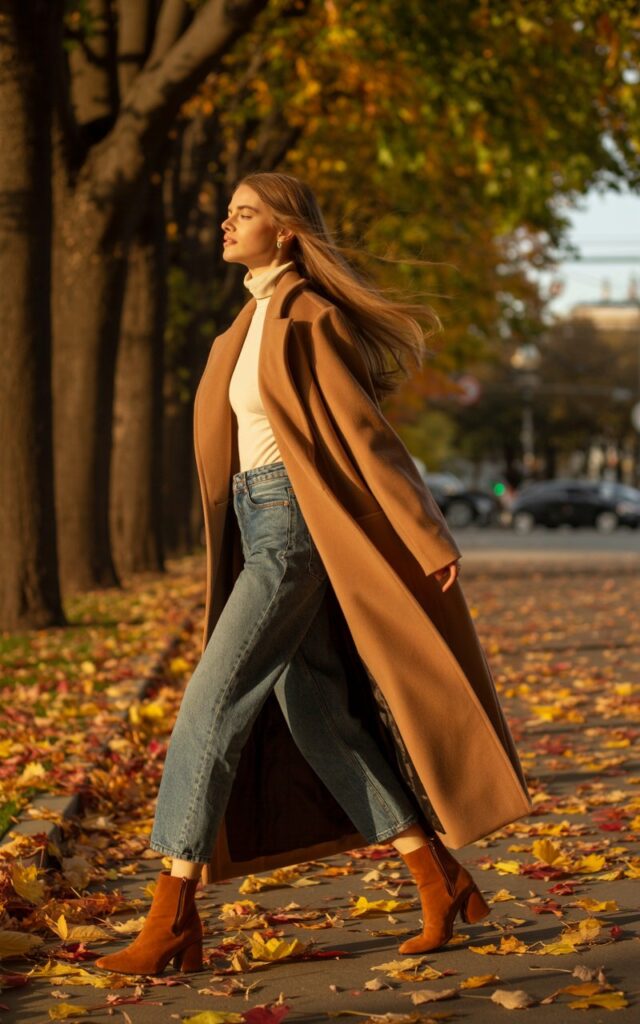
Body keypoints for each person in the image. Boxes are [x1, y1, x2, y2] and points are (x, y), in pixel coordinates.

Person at [96, 172, 530, 977]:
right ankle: (436, 878)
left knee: (212, 701)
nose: (227, 223)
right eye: (226, 210)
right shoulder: (247, 319)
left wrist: (426, 533)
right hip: (255, 524)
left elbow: (369, 438)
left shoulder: (310, 319)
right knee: (318, 712)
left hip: (293, 530)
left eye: (246, 213)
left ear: (287, 230)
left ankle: (173, 915)